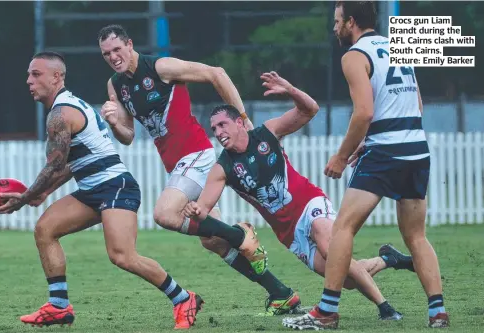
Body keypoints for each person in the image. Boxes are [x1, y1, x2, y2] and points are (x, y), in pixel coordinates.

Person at [97, 24, 306, 316]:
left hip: (196, 154)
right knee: (213, 241)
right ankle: (281, 293)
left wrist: (243, 118)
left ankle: (240, 235)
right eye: (106, 53)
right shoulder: (115, 85)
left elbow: (216, 73)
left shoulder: (160, 67)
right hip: (178, 166)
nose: (113, 57)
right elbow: (128, 136)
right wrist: (113, 122)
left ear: (130, 44)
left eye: (117, 49)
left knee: (164, 214)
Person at [182, 71, 412, 327]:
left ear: (238, 123)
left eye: (222, 124)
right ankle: (388, 259)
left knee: (330, 248)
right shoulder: (222, 168)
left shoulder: (267, 133)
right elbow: (203, 209)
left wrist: (290, 89)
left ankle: (386, 308)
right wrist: (194, 210)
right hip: (289, 233)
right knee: (344, 278)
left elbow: (310, 109)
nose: (217, 131)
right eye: (213, 128)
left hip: (309, 203)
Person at [0, 51, 203, 329]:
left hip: (116, 187)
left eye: (36, 74)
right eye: (29, 74)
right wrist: (43, 193)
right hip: (94, 190)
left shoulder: (61, 113)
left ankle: (183, 298)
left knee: (122, 256)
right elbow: (75, 163)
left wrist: (26, 197)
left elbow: (54, 167)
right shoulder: (67, 106)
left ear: (57, 77)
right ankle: (59, 306)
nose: (29, 81)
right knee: (45, 229)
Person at [291, 1, 449, 330]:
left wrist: (340, 156)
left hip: (386, 154)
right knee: (417, 237)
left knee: (343, 229)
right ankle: (437, 313)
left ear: (351, 22)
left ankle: (327, 311)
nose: (334, 28)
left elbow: (364, 113)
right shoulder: (398, 46)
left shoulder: (354, 56)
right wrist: (373, 138)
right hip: (417, 150)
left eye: (337, 22)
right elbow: (415, 103)